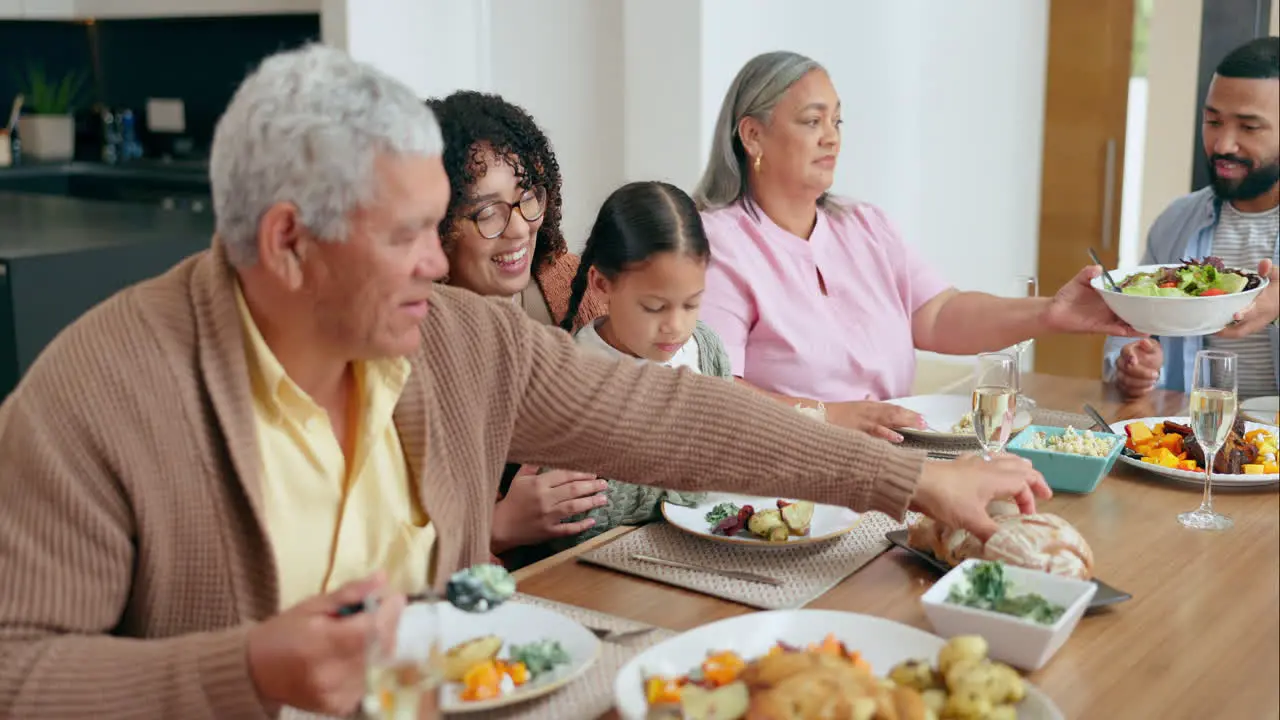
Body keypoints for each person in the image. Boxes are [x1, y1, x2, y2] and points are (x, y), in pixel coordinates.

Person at [0, 45, 1050, 719]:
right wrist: (248, 675)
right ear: (287, 244)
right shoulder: (94, 398)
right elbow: (15, 673)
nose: (443, 261)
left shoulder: (450, 340)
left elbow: (663, 412)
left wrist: (905, 482)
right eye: (413, 233)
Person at [693, 51, 1140, 442]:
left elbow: (940, 314)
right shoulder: (717, 244)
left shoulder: (864, 225)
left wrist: (1050, 313)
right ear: (752, 135)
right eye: (812, 121)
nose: (832, 137)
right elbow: (715, 393)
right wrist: (832, 418)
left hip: (892, 459)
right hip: (784, 483)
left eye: (836, 120)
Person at [426, 90, 609, 565]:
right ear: (434, 222)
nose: (519, 229)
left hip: (601, 554)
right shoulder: (411, 334)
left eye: (527, 198)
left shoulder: (570, 279)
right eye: (487, 212)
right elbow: (388, 535)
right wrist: (502, 525)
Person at [545, 180, 735, 550]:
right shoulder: (571, 378)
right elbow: (577, 521)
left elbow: (730, 459)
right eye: (654, 307)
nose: (676, 326)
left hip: (708, 552)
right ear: (601, 284)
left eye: (691, 304)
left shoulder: (706, 348)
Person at [1105, 37, 1280, 400]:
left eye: (1248, 128)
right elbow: (1131, 333)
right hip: (1188, 441)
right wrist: (1133, 369)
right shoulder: (1177, 221)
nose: (1222, 145)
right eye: (1213, 121)